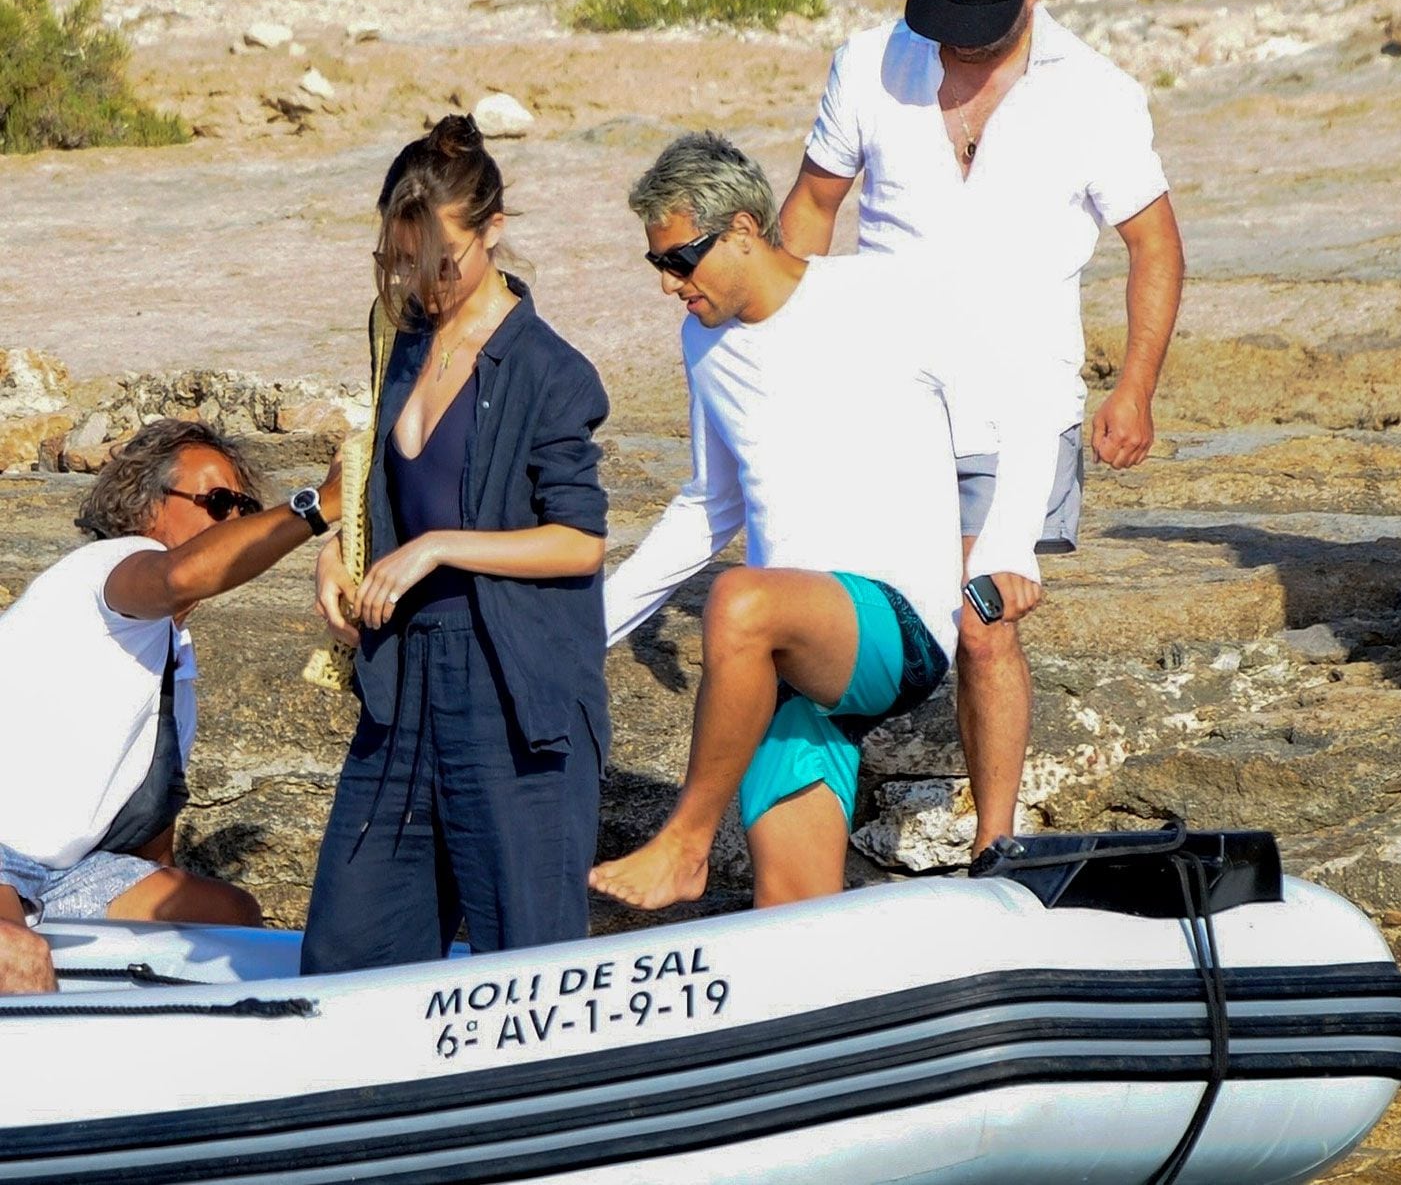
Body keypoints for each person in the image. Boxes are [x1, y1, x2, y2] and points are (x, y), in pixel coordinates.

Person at [779, 0, 1185, 855]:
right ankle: (806, 858)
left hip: (1021, 412)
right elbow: (811, 207)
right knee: (835, 612)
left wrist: (1135, 387)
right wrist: (788, 352)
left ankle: (995, 849)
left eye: (979, 29)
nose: (957, 47)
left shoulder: (1097, 94)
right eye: (944, 23)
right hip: (881, 402)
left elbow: (1155, 245)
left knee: (983, 622)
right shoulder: (869, 62)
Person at [594, 132, 1053, 911]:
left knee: (739, 601)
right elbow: (710, 503)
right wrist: (585, 632)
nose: (670, 284)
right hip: (790, 663)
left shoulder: (884, 293)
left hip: (898, 630)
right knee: (793, 918)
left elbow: (1027, 406)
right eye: (656, 264)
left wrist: (1008, 548)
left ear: (743, 229)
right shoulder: (703, 342)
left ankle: (686, 844)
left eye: (680, 260)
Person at [304, 115, 611, 971]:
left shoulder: (553, 372)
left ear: (494, 230)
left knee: (528, 969)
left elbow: (580, 542)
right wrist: (337, 553)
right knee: (344, 954)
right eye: (402, 261)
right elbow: (375, 482)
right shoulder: (398, 339)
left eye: (442, 261)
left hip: (512, 696)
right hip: (399, 686)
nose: (423, 283)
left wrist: (440, 546)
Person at [1, 419, 344, 991]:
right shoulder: (105, 570)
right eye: (217, 503)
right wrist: (320, 505)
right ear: (146, 507)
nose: (234, 520)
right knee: (16, 957)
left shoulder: (173, 661)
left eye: (245, 508)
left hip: (64, 873)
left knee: (228, 924)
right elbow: (179, 574)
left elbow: (150, 840)